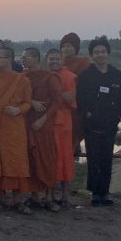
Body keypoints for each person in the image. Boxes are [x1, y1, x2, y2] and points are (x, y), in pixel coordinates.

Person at [76, 36, 121, 207]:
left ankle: (105, 192)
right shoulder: (85, 76)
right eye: (96, 52)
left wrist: (117, 115)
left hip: (110, 124)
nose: (100, 55)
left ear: (108, 53)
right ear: (91, 55)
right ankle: (95, 192)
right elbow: (80, 99)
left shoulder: (116, 75)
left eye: (103, 51)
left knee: (107, 158)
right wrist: (88, 114)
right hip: (91, 124)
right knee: (93, 158)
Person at [0, 46, 33, 214]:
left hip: (15, 128)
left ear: (9, 59)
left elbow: (28, 102)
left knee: (17, 163)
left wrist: (18, 110)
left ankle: (19, 200)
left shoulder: (21, 79)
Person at [21, 47, 61, 212]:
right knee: (32, 158)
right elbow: (18, 96)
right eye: (22, 57)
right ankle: (34, 196)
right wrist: (31, 102)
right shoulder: (22, 77)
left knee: (47, 159)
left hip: (45, 124)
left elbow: (57, 101)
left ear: (36, 58)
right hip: (27, 122)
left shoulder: (49, 77)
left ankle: (49, 197)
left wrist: (43, 119)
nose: (23, 60)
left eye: (26, 57)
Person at [45, 48, 77, 206]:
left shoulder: (70, 76)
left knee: (65, 157)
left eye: (57, 59)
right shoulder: (44, 76)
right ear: (46, 60)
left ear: (62, 60)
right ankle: (49, 194)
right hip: (47, 122)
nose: (54, 62)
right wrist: (59, 95)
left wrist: (55, 95)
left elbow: (70, 98)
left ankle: (65, 195)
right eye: (51, 59)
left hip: (64, 123)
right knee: (49, 156)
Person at [60, 32, 92, 157]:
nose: (66, 49)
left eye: (69, 46)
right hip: (59, 108)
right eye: (64, 46)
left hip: (78, 108)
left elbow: (88, 87)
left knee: (73, 140)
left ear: (76, 48)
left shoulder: (84, 64)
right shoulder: (56, 63)